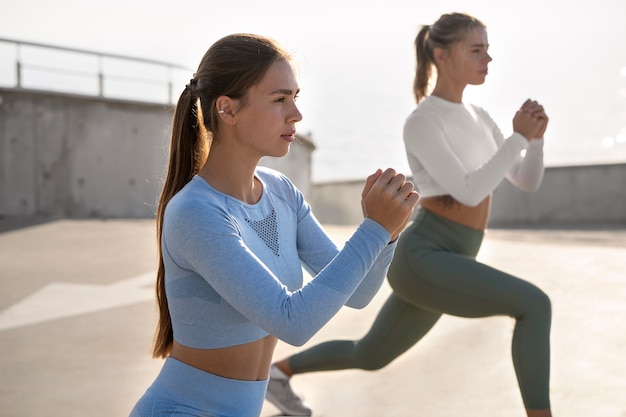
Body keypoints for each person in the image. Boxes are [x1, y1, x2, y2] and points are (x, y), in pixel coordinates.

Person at [267, 12, 553, 417]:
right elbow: (468, 190)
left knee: (370, 354)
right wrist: (518, 137)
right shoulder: (422, 121)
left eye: (488, 50)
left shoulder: (481, 117)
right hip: (425, 256)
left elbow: (526, 180)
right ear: (442, 54)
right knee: (534, 304)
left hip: (452, 257)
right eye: (476, 50)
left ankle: (277, 374)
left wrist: (534, 142)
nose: (487, 59)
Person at [127, 33, 419, 417]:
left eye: (295, 97)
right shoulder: (195, 212)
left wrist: (388, 234)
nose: (295, 114)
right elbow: (292, 322)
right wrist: (373, 231)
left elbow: (359, 292)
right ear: (227, 110)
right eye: (280, 99)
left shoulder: (281, 193)